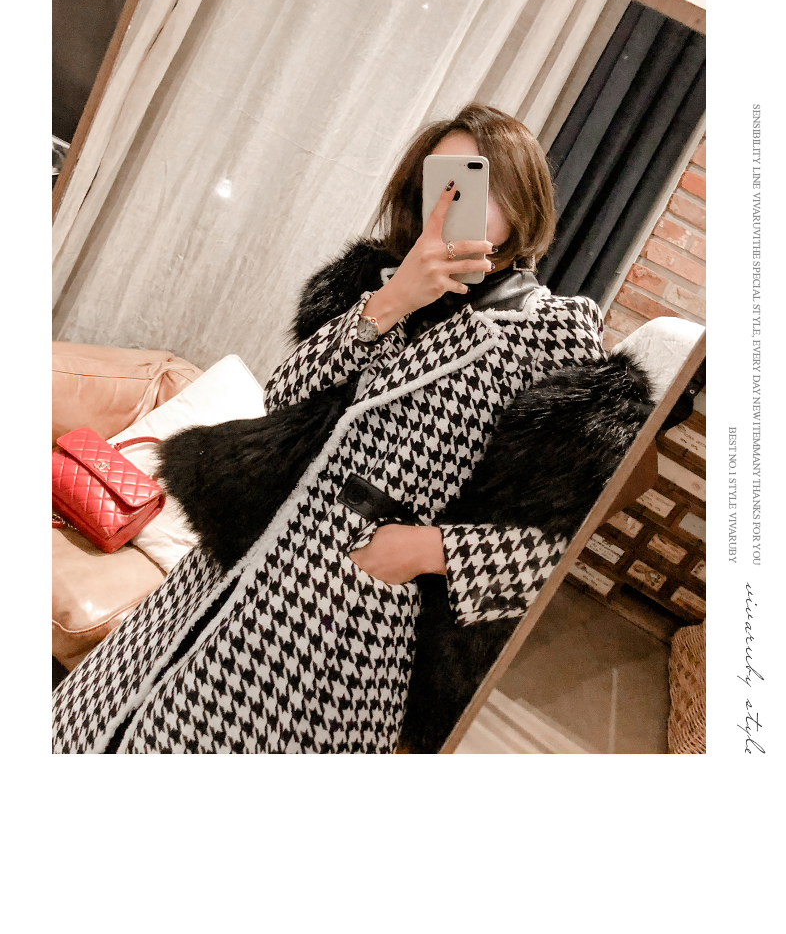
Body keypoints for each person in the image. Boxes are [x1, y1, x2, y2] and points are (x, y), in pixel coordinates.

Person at [53, 103, 608, 755]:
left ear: (520, 200)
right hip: (238, 557)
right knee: (101, 722)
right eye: (439, 182)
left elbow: (553, 537)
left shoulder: (552, 336)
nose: (450, 203)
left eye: (473, 184)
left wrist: (423, 550)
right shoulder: (379, 284)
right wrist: (389, 303)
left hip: (348, 619)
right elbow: (283, 399)